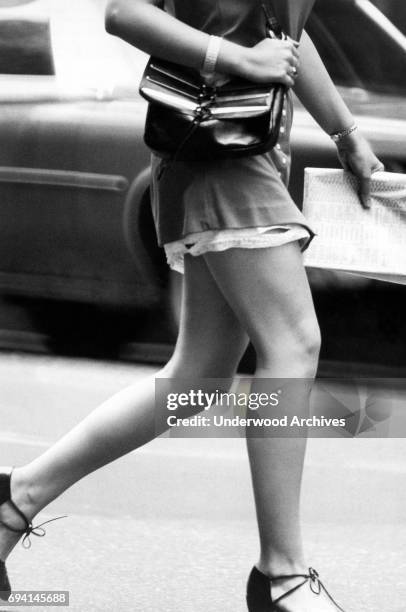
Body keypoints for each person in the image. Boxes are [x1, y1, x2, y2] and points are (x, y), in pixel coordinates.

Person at [0, 1, 384, 609]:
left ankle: (15, 499)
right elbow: (123, 13)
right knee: (293, 343)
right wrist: (238, 58)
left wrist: (347, 133)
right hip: (212, 145)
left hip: (254, 145)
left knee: (198, 376)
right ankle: (281, 575)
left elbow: (286, 37)